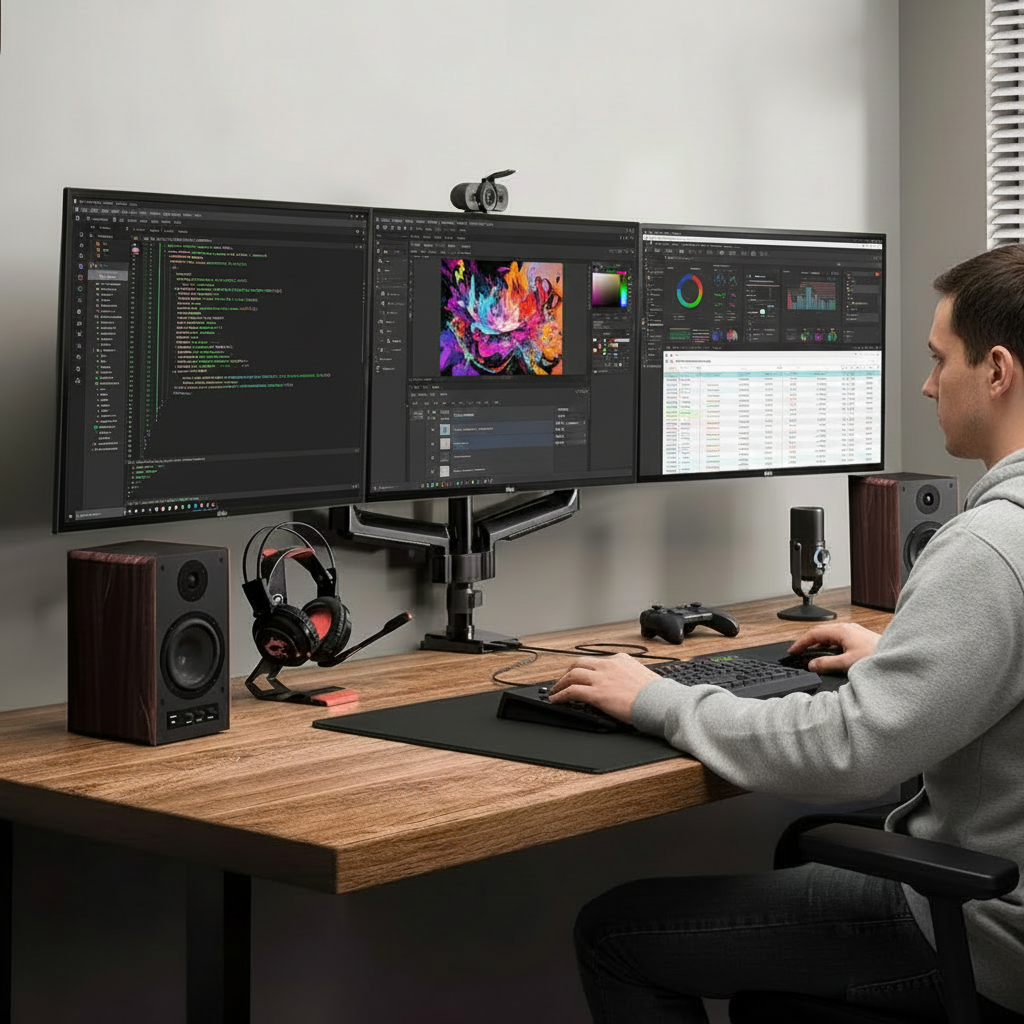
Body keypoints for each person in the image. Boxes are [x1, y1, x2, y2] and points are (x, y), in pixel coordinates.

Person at [548, 245, 1024, 1022]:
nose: (928, 383)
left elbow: (851, 752)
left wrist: (659, 699)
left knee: (614, 931)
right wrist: (902, 659)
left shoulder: (988, 547)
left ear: (997, 370)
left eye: (941, 360)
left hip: (988, 937)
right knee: (802, 843)